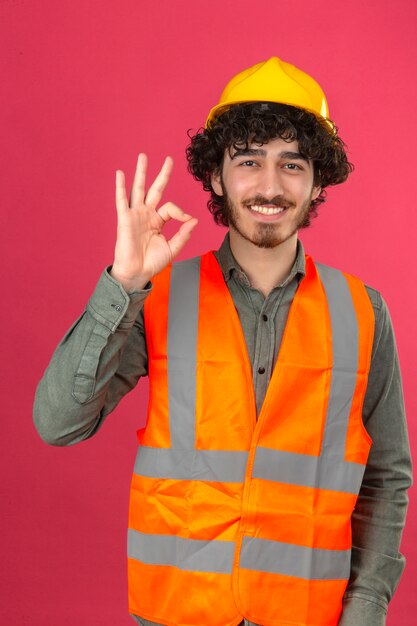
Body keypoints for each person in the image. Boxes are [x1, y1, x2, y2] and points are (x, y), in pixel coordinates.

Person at [33, 57, 412, 626]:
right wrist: (124, 284)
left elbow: (385, 476)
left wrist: (366, 610)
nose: (269, 185)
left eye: (292, 164)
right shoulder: (156, 297)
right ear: (216, 176)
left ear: (316, 182)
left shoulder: (362, 311)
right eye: (248, 161)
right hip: (177, 612)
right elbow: (58, 424)